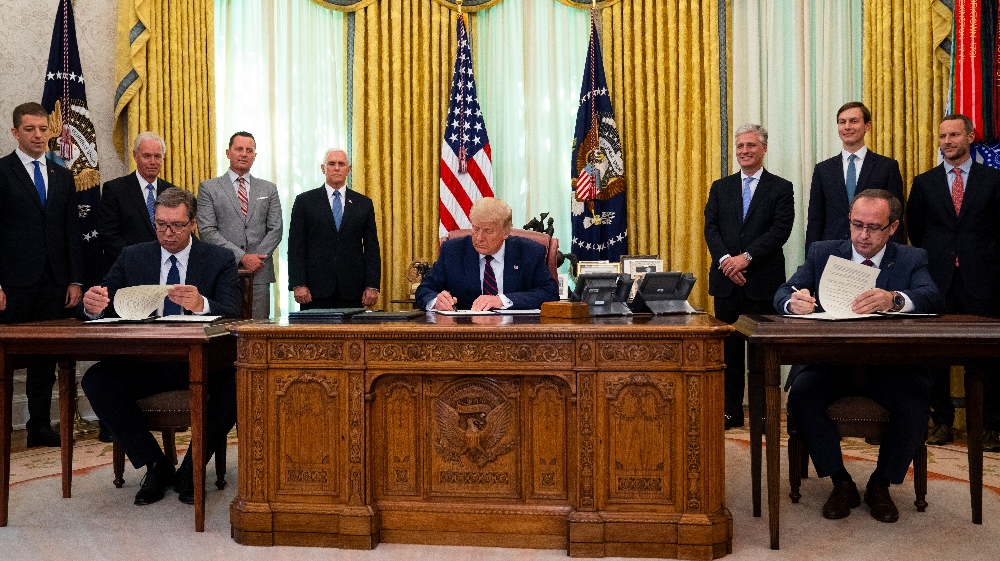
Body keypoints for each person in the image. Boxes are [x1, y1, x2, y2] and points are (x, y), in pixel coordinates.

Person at [775, 189, 944, 523]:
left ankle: (880, 484)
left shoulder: (911, 258)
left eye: (874, 227)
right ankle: (840, 481)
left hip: (889, 367)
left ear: (893, 227)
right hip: (831, 363)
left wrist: (895, 299)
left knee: (914, 405)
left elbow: (932, 296)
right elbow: (785, 290)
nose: (863, 235)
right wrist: (792, 303)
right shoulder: (823, 253)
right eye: (856, 225)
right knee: (802, 397)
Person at [80, 188, 240, 506]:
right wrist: (91, 305)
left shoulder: (219, 259)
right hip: (146, 363)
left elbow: (234, 312)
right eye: (161, 224)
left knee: (236, 384)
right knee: (96, 380)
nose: (168, 233)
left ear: (192, 223)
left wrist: (202, 303)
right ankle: (157, 464)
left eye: (177, 225)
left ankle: (192, 468)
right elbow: (103, 300)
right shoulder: (132, 256)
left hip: (201, 364)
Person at [907, 113, 1000, 451]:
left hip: (983, 281)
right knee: (935, 357)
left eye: (954, 135)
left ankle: (991, 426)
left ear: (970, 137)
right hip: (937, 281)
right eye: (943, 136)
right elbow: (916, 230)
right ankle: (941, 421)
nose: (947, 141)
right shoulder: (925, 182)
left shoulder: (992, 180)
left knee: (989, 359)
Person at [0, 102, 83, 447]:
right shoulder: (2, 172)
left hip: (54, 282)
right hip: (13, 284)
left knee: (44, 362)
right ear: (15, 132)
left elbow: (71, 232)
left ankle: (39, 427)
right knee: (5, 360)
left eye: (43, 128)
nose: (38, 135)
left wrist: (75, 280)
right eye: (30, 129)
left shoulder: (62, 175)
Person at [704, 123, 795, 430]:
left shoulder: (781, 188)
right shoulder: (720, 187)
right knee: (728, 354)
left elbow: (779, 231)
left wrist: (746, 258)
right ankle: (731, 411)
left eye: (751, 146)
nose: (744, 151)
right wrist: (728, 261)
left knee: (760, 356)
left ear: (764, 149)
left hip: (761, 283)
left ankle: (763, 411)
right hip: (726, 283)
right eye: (740, 146)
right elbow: (711, 228)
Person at [415, 197, 559, 311]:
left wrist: (501, 300)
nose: (479, 237)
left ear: (506, 232)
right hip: (465, 334)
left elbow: (550, 293)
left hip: (516, 334)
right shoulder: (453, 251)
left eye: (488, 230)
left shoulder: (529, 252)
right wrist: (436, 302)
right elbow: (424, 290)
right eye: (476, 229)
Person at [197, 131, 283, 319]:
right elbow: (207, 231)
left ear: (255, 156)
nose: (244, 154)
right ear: (228, 153)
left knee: (258, 333)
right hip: (223, 271)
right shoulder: (208, 188)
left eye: (249, 150)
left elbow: (276, 229)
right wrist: (242, 257)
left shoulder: (269, 188)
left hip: (259, 273)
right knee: (224, 331)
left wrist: (256, 259)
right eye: (239, 149)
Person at [287, 148, 380, 309]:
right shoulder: (305, 201)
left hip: (352, 289)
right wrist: (298, 284)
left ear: (348, 170)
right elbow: (296, 246)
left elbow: (372, 248)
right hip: (313, 290)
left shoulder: (363, 203)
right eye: (331, 163)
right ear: (323, 168)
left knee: (351, 335)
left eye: (341, 164)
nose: (336, 168)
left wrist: (372, 285)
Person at [806, 102, 905, 248]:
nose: (847, 127)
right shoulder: (823, 169)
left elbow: (896, 216)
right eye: (842, 122)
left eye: (854, 121)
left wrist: (894, 257)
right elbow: (815, 219)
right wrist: (812, 257)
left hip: (874, 249)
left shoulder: (887, 167)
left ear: (867, 126)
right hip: (833, 250)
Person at [97, 131, 178, 272]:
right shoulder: (115, 189)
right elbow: (109, 236)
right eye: (147, 156)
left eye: (157, 156)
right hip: (128, 269)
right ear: (135, 156)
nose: (153, 161)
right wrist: (140, 259)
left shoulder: (172, 191)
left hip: (165, 270)